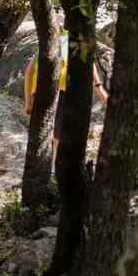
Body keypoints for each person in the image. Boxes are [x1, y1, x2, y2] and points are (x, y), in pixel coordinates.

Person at [24, 29, 108, 172]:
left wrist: (28, 102)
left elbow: (29, 71)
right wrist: (99, 88)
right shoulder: (77, 39)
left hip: (38, 90)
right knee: (57, 133)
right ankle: (52, 169)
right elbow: (89, 65)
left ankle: (44, 167)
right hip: (60, 89)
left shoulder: (49, 41)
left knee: (44, 131)